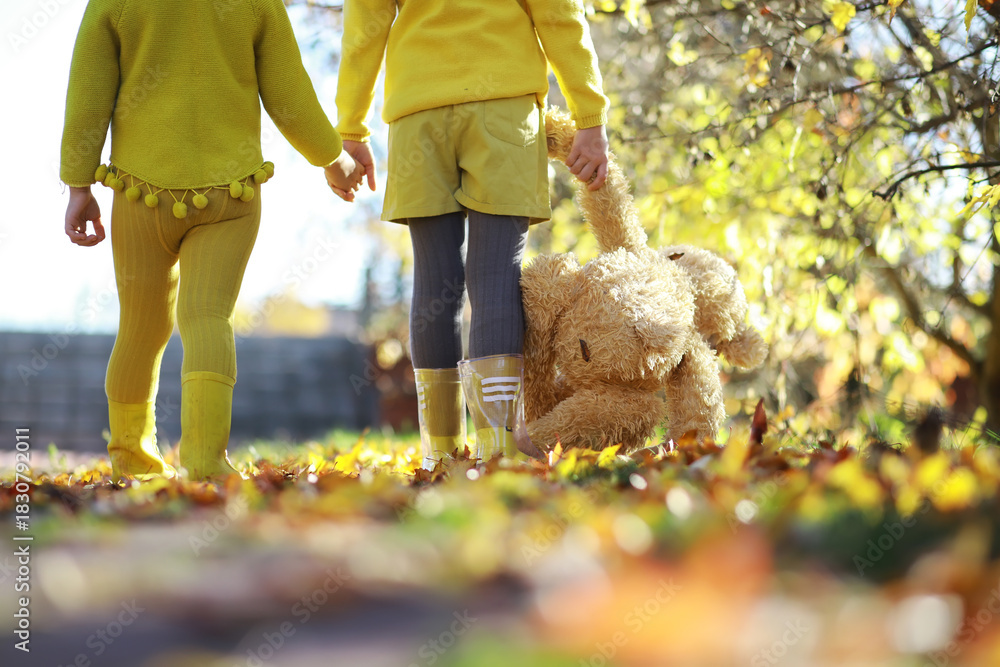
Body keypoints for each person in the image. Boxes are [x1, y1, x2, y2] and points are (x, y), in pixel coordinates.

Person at [61, 0, 362, 482]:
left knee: (140, 327)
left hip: (140, 193)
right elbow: (290, 95)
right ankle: (205, 462)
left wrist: (79, 185)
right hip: (231, 192)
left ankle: (133, 464)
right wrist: (335, 160)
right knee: (206, 317)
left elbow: (88, 92)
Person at [336, 0, 610, 468]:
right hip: (504, 109)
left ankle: (440, 453)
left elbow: (365, 25)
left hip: (418, 115)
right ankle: (497, 450)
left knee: (434, 281)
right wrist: (590, 115)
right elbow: (559, 14)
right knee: (495, 278)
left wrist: (351, 128)